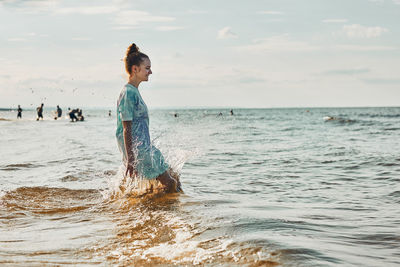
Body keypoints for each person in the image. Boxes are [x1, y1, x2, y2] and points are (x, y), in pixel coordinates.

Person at [116, 43, 181, 193]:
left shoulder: (134, 91)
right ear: (135, 69)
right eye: (147, 68)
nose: (150, 72)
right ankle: (156, 211)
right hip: (140, 151)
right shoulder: (128, 93)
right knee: (170, 184)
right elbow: (126, 128)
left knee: (174, 177)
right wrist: (131, 161)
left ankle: (150, 205)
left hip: (145, 147)